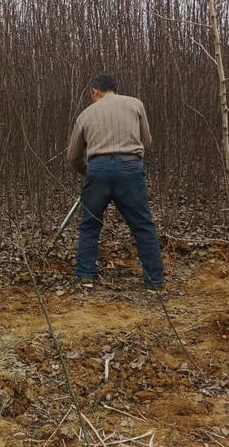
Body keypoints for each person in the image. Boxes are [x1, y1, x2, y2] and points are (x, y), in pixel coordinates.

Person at [66, 73, 164, 290]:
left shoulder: (85, 114)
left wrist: (89, 173)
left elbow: (73, 156)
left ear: (94, 92)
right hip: (130, 167)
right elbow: (146, 141)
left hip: (97, 170)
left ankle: (85, 277)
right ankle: (154, 282)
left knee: (90, 225)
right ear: (115, 88)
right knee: (143, 225)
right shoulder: (135, 105)